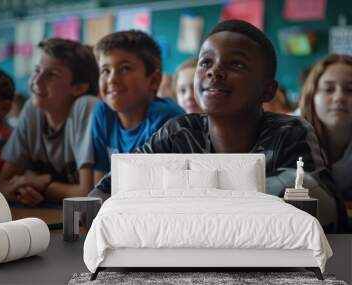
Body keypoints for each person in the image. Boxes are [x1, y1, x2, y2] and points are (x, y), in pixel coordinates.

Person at [90, 20, 347, 232]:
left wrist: (191, 198)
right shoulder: (179, 132)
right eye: (205, 62)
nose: (214, 71)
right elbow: (105, 191)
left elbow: (318, 202)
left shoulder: (290, 132)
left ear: (267, 89)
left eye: (236, 64)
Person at [0, 38, 99, 206]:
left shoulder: (86, 106)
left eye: (52, 75)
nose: (36, 81)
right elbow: (1, 185)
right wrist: (23, 190)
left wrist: (44, 185)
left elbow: (89, 195)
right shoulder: (33, 108)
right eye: (37, 71)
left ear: (79, 88)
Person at [91, 30, 185, 184]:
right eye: (105, 70)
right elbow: (98, 186)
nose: (112, 79)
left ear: (154, 80)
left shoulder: (167, 121)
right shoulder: (103, 113)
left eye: (125, 68)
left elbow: (158, 192)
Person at [300, 54, 352, 227]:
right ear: (311, 95)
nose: (339, 97)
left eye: (350, 90)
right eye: (329, 89)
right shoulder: (288, 135)